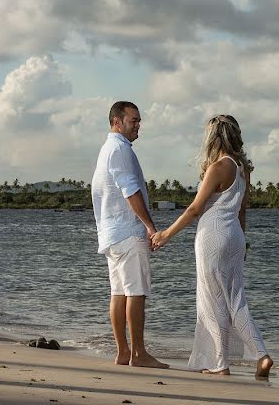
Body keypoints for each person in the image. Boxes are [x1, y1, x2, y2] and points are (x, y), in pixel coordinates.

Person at [152, 114, 273, 379]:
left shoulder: (218, 168)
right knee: (236, 300)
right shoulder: (242, 169)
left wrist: (166, 234)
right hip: (234, 236)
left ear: (214, 138)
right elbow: (242, 211)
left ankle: (219, 362)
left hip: (212, 235)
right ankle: (261, 356)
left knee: (212, 299)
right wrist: (243, 242)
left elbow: (196, 208)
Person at [91, 101, 168, 369]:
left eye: (138, 120)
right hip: (127, 232)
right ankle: (139, 353)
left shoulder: (106, 150)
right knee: (136, 292)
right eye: (133, 120)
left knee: (119, 293)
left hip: (112, 234)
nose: (138, 125)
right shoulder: (120, 150)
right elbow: (130, 192)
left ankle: (124, 352)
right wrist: (150, 227)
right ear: (117, 122)